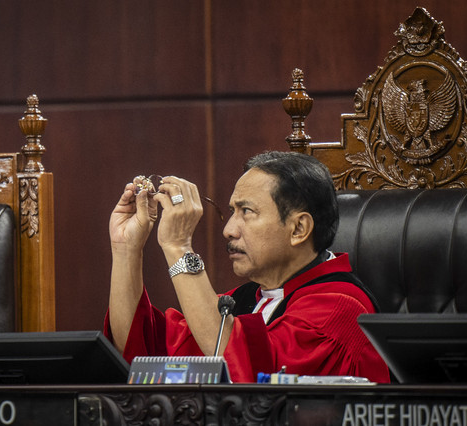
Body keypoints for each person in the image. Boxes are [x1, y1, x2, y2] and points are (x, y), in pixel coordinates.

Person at [105, 151, 390, 383]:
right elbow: (140, 348)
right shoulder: (246, 300)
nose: (229, 230)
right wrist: (126, 250)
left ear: (298, 228)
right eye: (232, 211)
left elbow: (247, 377)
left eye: (247, 212)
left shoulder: (342, 307)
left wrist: (179, 246)